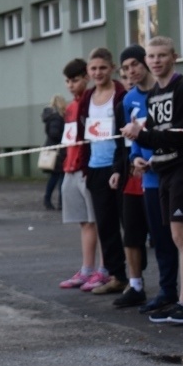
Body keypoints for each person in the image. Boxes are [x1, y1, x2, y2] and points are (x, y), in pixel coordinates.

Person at [121, 36, 183, 323]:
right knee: (177, 239)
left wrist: (143, 135)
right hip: (161, 170)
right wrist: (144, 157)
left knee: (181, 237)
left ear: (173, 57)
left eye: (162, 55)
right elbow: (157, 134)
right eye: (151, 56)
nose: (156, 60)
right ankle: (182, 298)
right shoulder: (151, 96)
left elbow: (180, 134)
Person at [110, 45, 163, 309]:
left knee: (165, 236)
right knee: (131, 233)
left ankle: (172, 289)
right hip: (134, 175)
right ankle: (136, 285)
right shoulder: (126, 101)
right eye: (126, 67)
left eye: (135, 64)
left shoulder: (165, 93)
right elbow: (122, 142)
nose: (131, 71)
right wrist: (124, 165)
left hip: (165, 174)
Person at [77, 48, 128, 295]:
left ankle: (135, 277)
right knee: (106, 226)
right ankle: (116, 275)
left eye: (102, 68)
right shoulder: (87, 98)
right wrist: (85, 168)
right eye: (93, 68)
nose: (98, 72)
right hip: (96, 168)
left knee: (128, 224)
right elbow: (82, 135)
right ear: (88, 71)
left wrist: (122, 165)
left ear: (112, 69)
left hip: (119, 166)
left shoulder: (121, 95)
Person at [58, 59, 105, 290]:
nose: (70, 85)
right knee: (84, 221)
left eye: (75, 80)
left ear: (86, 78)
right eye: (67, 81)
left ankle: (104, 269)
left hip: (89, 167)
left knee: (100, 220)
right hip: (71, 167)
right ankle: (87, 269)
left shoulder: (91, 103)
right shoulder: (70, 107)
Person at [41, 95, 67, 210]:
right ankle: (60, 202)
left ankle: (48, 200)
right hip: (58, 150)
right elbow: (54, 133)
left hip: (52, 149)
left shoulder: (50, 117)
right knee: (60, 176)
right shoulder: (57, 117)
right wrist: (66, 137)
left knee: (55, 176)